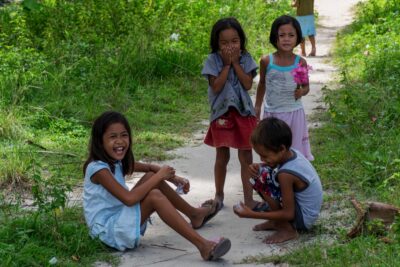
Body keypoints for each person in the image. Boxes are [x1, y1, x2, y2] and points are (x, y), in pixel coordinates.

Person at [82, 111, 231, 261]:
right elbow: (129, 199)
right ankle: (203, 246)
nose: (120, 141)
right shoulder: (98, 169)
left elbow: (149, 168)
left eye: (124, 135)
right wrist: (160, 176)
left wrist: (173, 179)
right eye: (113, 137)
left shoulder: (114, 161)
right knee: (155, 196)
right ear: (100, 141)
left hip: (118, 220)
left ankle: (194, 214)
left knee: (151, 178)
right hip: (106, 233)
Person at [201, 17, 264, 212]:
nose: (230, 46)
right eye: (224, 42)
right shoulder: (212, 60)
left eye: (234, 41)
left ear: (241, 41)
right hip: (222, 114)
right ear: (216, 44)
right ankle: (219, 195)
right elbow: (217, 86)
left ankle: (249, 198)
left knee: (246, 156)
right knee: (222, 155)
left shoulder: (246, 59)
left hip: (244, 113)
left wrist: (236, 63)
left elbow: (247, 84)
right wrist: (226, 65)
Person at [233, 117, 323, 244]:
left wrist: (251, 214)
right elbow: (275, 164)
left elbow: (288, 214)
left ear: (281, 149)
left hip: (302, 219)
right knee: (261, 173)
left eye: (265, 156)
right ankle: (276, 222)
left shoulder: (285, 174)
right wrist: (261, 166)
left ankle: (286, 229)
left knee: (262, 179)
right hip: (307, 212)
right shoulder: (292, 152)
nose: (262, 159)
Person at [254, 15, 314, 161]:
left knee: (294, 153)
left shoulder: (301, 62)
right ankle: (275, 179)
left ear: (298, 38)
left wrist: (302, 91)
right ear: (275, 37)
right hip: (273, 115)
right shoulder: (267, 61)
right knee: (273, 151)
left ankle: (294, 178)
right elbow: (262, 84)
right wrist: (257, 106)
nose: (286, 39)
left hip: (294, 113)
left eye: (291, 35)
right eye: (282, 35)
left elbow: (306, 87)